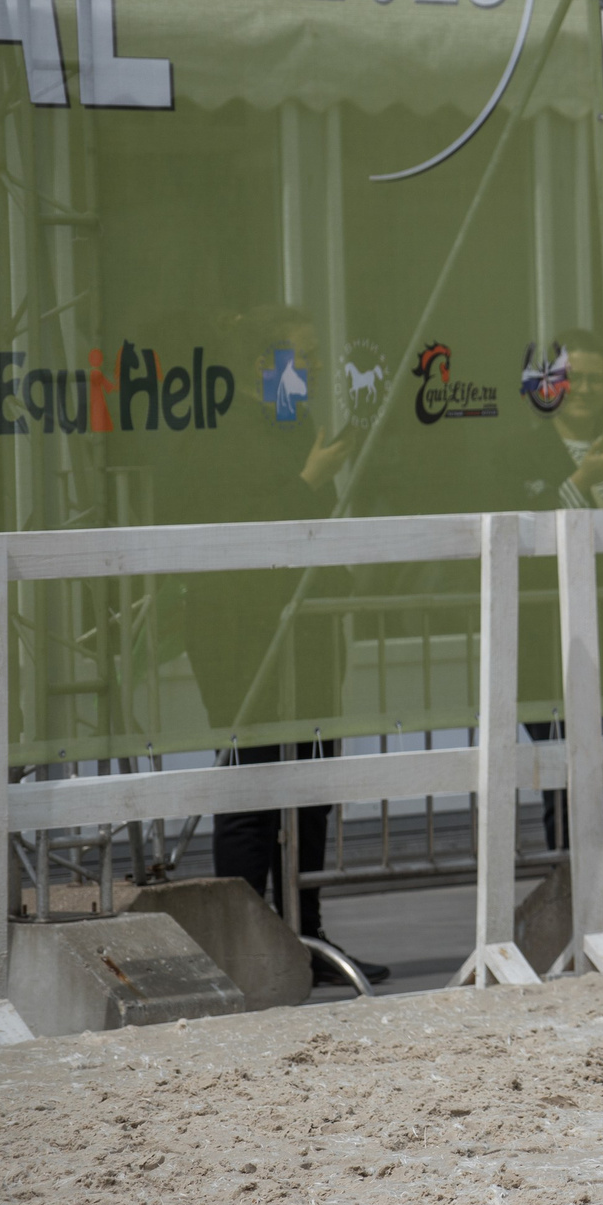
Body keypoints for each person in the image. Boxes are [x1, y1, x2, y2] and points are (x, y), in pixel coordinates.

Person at [190, 306, 387, 987]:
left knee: (310, 784)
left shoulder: (290, 422)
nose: (317, 373)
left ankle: (305, 931)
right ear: (262, 366)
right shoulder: (223, 430)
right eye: (304, 360)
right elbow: (237, 521)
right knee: (252, 787)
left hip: (303, 632)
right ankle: (241, 943)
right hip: (240, 633)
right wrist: (309, 476)